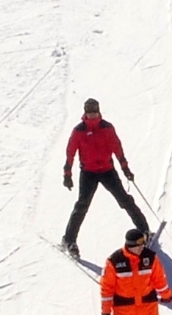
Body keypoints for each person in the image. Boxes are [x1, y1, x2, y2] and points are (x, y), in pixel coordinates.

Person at [61, 98, 150, 258]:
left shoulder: (107, 128)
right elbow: (70, 152)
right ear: (85, 113)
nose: (93, 116)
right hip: (88, 173)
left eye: (95, 112)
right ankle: (69, 240)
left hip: (108, 171)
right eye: (90, 113)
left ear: (99, 111)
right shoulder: (79, 131)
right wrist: (67, 174)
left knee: (125, 200)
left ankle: (144, 230)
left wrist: (125, 168)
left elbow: (117, 147)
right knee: (82, 206)